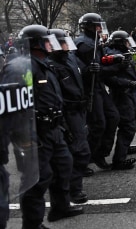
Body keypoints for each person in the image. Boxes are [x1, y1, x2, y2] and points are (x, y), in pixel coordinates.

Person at [18, 25, 84, 227]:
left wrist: (63, 126)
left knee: (64, 166)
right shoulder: (25, 68)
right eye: (47, 41)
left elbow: (55, 98)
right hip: (36, 131)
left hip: (55, 127)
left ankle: (60, 207)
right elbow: (19, 100)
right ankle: (32, 224)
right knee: (38, 179)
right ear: (36, 43)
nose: (51, 44)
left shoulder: (45, 64)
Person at [48, 29, 92, 204]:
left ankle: (71, 189)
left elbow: (83, 72)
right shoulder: (52, 66)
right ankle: (73, 191)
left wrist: (92, 69)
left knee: (78, 151)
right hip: (67, 112)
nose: (68, 45)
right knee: (79, 151)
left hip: (79, 109)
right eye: (64, 42)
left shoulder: (71, 58)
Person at [74, 13, 120, 170]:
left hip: (99, 86)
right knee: (98, 124)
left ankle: (100, 153)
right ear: (88, 27)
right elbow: (78, 67)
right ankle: (84, 159)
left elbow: (101, 64)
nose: (100, 28)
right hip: (90, 88)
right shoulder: (82, 44)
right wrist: (88, 69)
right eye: (97, 26)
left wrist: (115, 60)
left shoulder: (95, 42)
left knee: (113, 117)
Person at [103, 31, 136, 170]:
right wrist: (130, 83)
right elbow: (110, 79)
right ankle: (119, 160)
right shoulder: (112, 57)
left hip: (130, 94)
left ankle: (123, 146)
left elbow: (132, 73)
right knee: (128, 126)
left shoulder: (125, 54)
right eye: (127, 42)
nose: (129, 44)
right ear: (120, 43)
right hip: (121, 95)